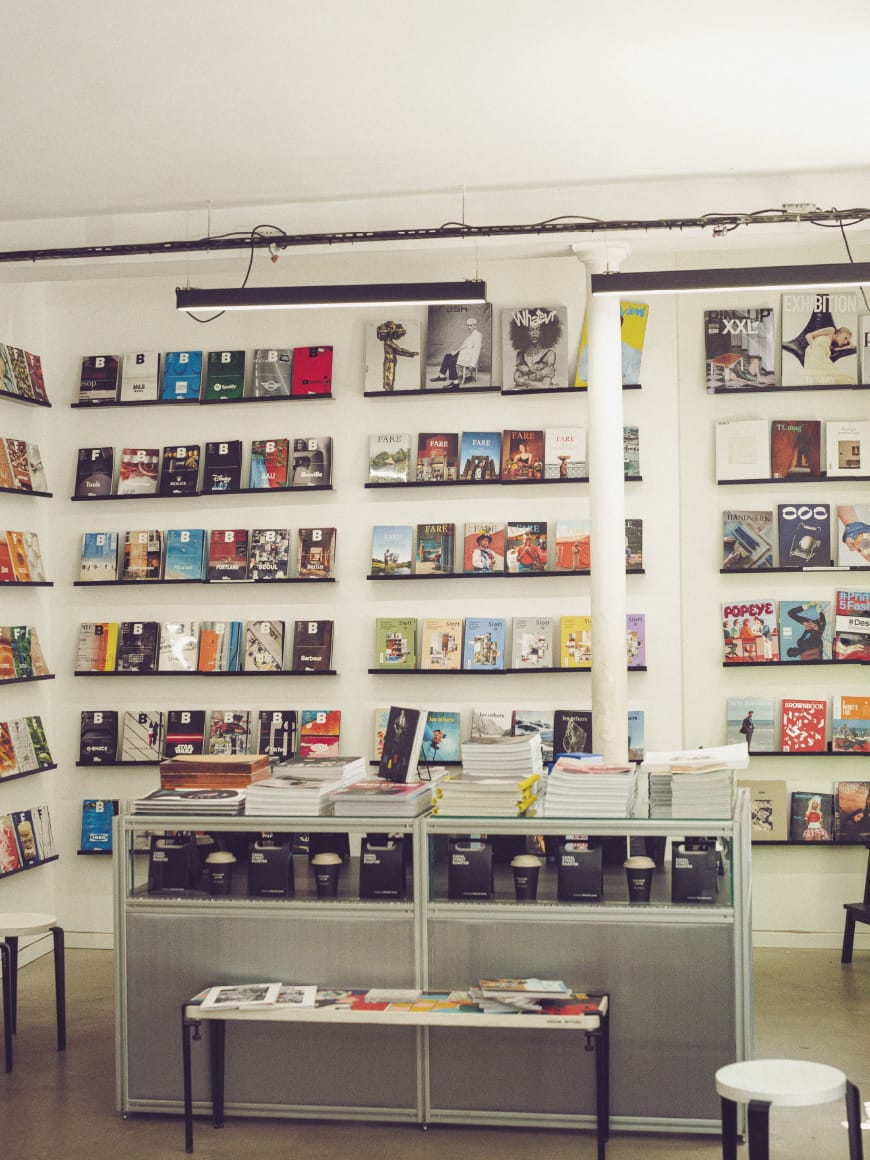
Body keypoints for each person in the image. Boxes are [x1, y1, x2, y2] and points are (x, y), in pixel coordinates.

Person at [430, 317, 482, 387]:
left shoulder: (478, 335)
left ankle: (455, 382)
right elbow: (463, 346)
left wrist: (472, 364)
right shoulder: (470, 335)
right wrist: (456, 351)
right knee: (447, 356)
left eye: (471, 325)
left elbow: (477, 350)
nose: (469, 327)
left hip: (468, 358)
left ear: (475, 326)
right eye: (468, 325)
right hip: (462, 354)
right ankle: (442, 376)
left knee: (451, 360)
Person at [375, 320, 419, 392]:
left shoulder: (389, 342)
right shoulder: (389, 342)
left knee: (391, 381)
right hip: (389, 363)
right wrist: (411, 353)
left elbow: (398, 352)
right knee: (389, 381)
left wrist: (410, 355)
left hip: (391, 362)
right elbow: (400, 349)